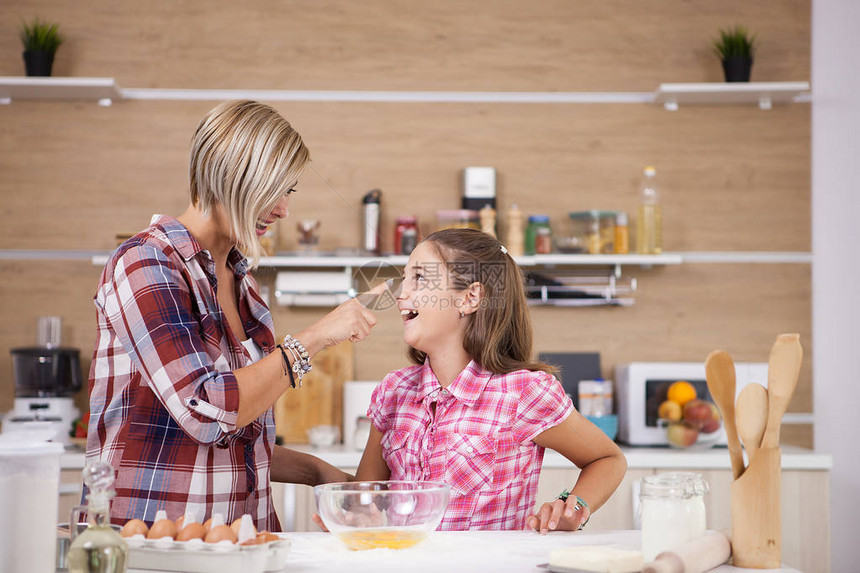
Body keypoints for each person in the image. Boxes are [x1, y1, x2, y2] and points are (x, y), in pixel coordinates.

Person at [86, 100, 383, 532]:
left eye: (289, 192)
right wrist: (316, 337)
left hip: (241, 541)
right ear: (229, 178)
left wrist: (317, 473)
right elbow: (207, 412)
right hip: (157, 544)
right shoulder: (146, 264)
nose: (283, 210)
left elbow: (237, 438)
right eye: (273, 190)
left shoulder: (243, 286)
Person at [354, 228, 627, 532]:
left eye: (419, 278)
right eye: (404, 279)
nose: (401, 293)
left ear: (470, 298)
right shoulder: (394, 391)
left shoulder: (524, 393)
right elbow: (366, 498)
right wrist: (356, 516)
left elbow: (607, 458)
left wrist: (571, 506)